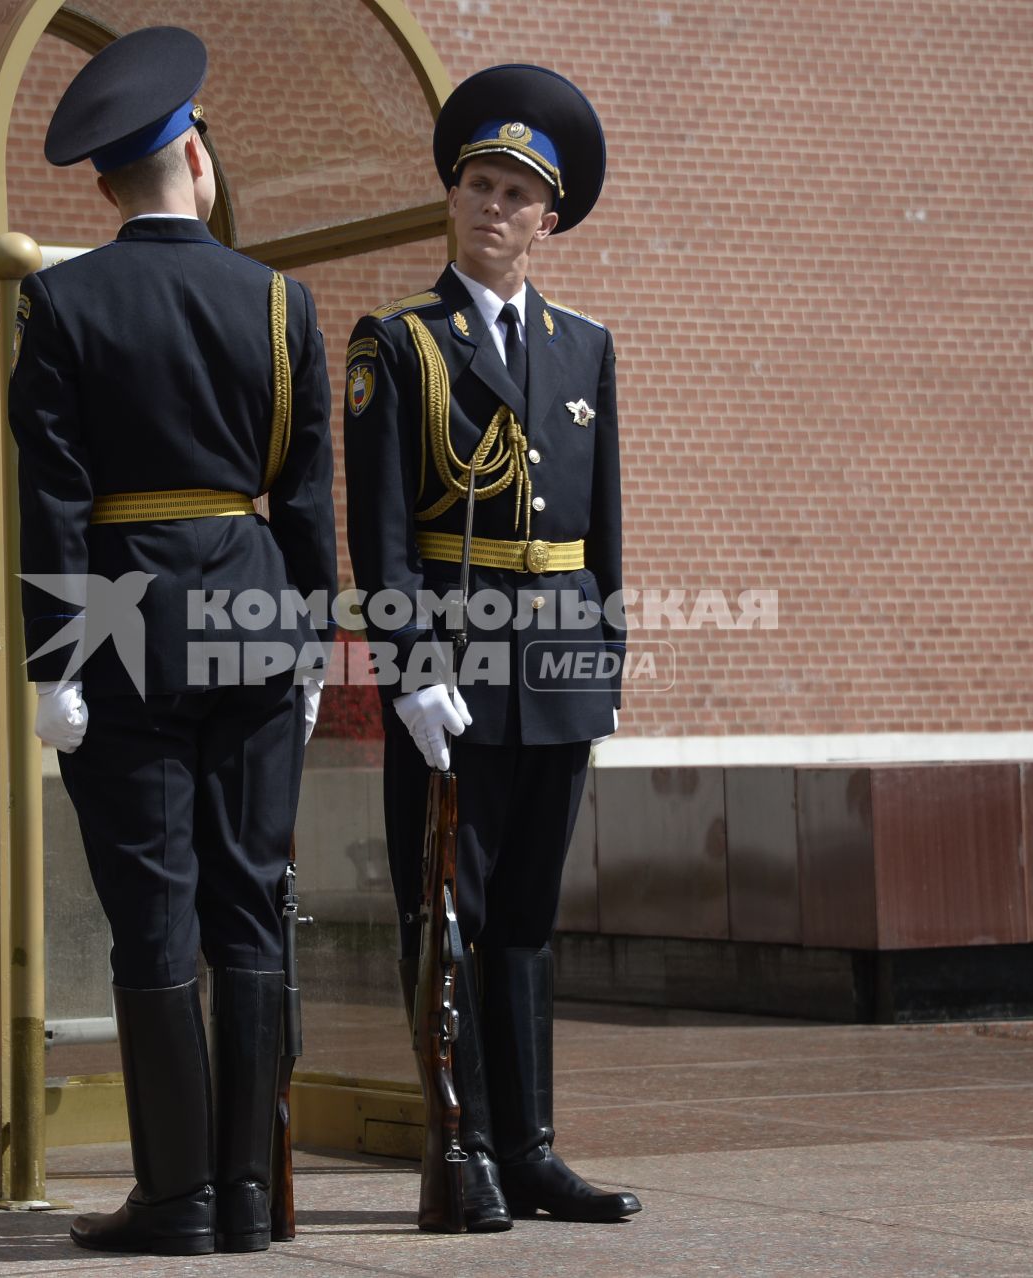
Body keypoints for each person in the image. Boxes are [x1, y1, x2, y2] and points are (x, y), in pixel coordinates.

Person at [8, 27, 335, 1257]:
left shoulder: (61, 299)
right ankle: (248, 1198)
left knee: (155, 913)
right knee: (250, 907)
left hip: (122, 632)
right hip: (254, 623)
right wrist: (307, 642)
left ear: (102, 182)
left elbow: (51, 498)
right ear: (196, 158)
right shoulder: (279, 299)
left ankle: (178, 1200)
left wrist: (55, 664)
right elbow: (306, 500)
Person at [343, 64, 640, 1230]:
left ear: (548, 219)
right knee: (447, 916)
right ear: (451, 198)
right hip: (454, 676)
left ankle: (535, 1152)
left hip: (556, 667)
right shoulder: (401, 345)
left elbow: (602, 530)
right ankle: (456, 1150)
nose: (493, 206)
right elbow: (384, 543)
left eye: (517, 193)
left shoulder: (585, 350)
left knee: (525, 918)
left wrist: (601, 668)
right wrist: (410, 676)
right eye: (478, 183)